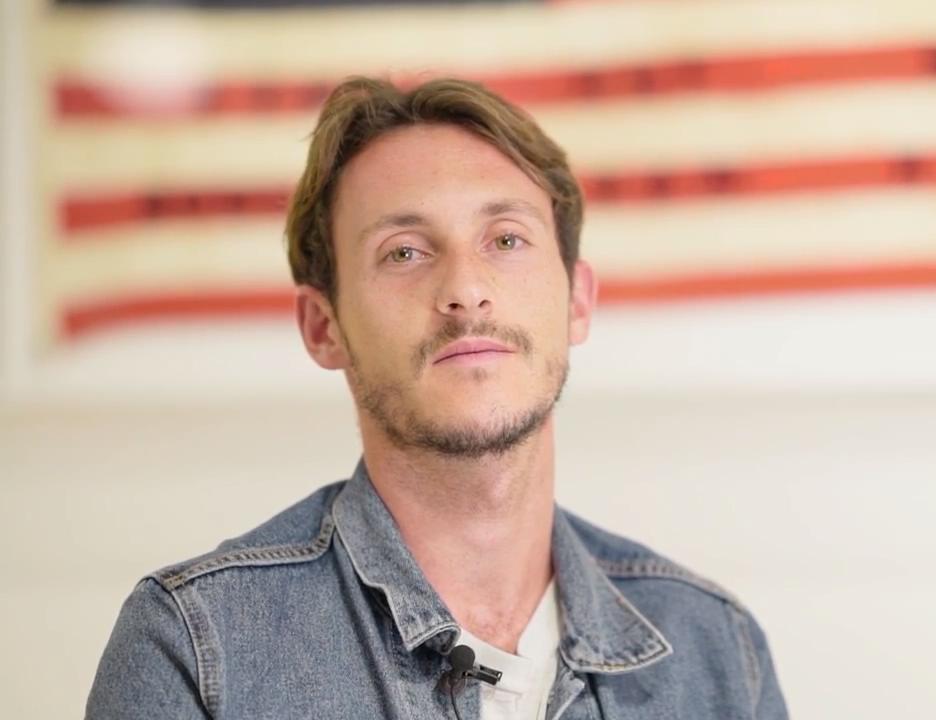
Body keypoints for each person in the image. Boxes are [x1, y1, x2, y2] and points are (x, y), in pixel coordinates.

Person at [86, 76, 788, 719]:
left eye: (505, 238)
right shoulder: (195, 646)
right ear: (324, 327)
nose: (465, 289)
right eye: (404, 251)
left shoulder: (718, 653)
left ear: (577, 300)